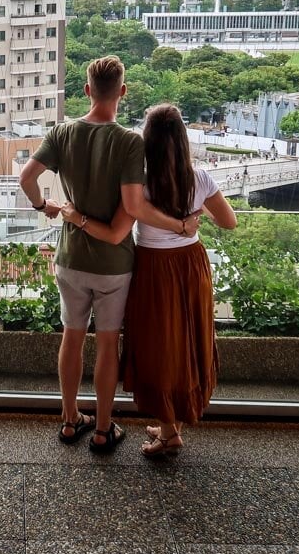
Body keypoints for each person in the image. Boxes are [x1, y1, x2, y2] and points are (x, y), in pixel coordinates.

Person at [20, 57, 199, 454]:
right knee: (105, 345)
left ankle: (69, 421)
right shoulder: (129, 142)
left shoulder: (62, 133)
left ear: (86, 90)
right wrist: (181, 225)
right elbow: (132, 207)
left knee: (71, 337)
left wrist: (44, 207)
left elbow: (26, 178)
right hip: (114, 264)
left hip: (70, 260)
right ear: (123, 91)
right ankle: (102, 429)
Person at [61, 103, 237, 458]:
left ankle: (170, 433)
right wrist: (190, 218)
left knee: (161, 345)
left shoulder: (140, 182)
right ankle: (173, 424)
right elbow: (229, 222)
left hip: (154, 268)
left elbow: (122, 224)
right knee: (186, 341)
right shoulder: (199, 179)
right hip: (191, 265)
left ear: (148, 140)